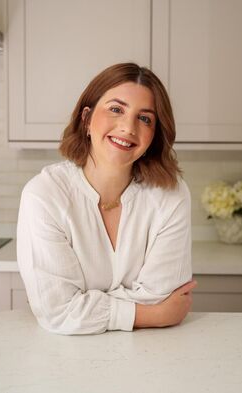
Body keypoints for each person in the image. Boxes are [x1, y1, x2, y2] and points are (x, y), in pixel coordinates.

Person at [17, 63, 196, 335]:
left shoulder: (171, 194)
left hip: (150, 356)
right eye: (116, 109)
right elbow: (58, 310)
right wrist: (154, 314)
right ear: (86, 118)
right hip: (64, 361)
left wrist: (83, 307)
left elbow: (160, 294)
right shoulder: (44, 195)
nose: (128, 127)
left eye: (144, 118)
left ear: (154, 136)